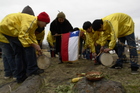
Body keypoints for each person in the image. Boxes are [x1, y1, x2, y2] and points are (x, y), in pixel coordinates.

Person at [0, 12, 50, 83]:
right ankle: (32, 70)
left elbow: (31, 36)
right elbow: (23, 35)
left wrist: (37, 47)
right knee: (29, 47)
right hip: (9, 27)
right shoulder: (31, 21)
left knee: (19, 53)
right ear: (41, 20)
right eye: (46, 23)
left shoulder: (34, 24)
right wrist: (33, 45)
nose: (45, 25)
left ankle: (20, 76)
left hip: (6, 29)